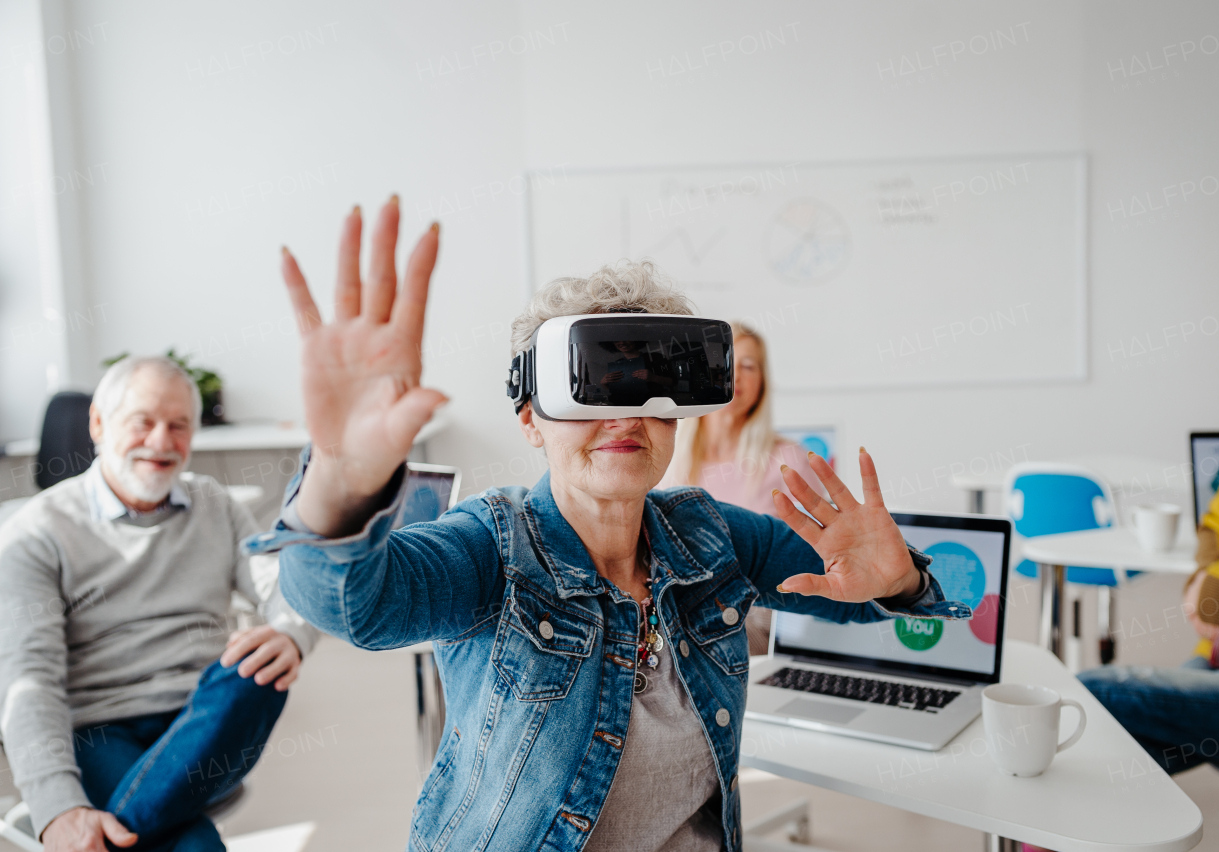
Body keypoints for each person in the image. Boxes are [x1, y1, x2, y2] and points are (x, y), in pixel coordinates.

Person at [253, 197, 970, 851]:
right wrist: (341, 481)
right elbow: (355, 606)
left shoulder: (711, 535)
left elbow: (850, 591)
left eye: (650, 389)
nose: (625, 416)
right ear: (531, 418)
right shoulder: (492, 549)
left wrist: (903, 581)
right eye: (594, 389)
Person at [0, 356, 319, 852]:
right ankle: (127, 827)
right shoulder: (35, 532)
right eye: (143, 422)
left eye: (179, 426)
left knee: (257, 670)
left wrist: (292, 632)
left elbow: (282, 583)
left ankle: (110, 834)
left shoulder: (216, 505)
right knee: (194, 846)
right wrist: (58, 806)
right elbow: (28, 678)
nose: (161, 442)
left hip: (205, 720)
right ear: (99, 424)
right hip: (100, 727)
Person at [1079, 419, 1219, 778]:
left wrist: (1215, 594)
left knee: (1098, 694)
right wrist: (1208, 579)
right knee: (1111, 747)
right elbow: (1214, 525)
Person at [660, 322, 828, 654]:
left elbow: (821, 550)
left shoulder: (788, 459)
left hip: (752, 621)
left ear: (762, 382)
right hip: (672, 615)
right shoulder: (666, 452)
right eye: (723, 362)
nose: (734, 375)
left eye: (748, 366)